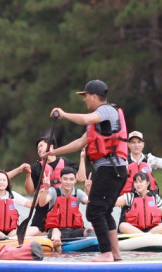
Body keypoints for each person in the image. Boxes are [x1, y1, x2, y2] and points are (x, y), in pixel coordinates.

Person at [48, 80, 131, 260]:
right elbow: (79, 143)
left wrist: (63, 114)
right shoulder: (98, 120)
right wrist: (53, 152)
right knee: (104, 211)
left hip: (110, 169)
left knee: (94, 211)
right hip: (115, 170)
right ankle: (115, 254)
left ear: (94, 96)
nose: (84, 100)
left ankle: (106, 253)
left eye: (86, 96)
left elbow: (85, 119)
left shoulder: (106, 111)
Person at [118, 168, 162, 235]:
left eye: (141, 182)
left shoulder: (155, 198)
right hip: (134, 229)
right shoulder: (129, 197)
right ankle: (144, 236)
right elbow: (113, 202)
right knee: (122, 225)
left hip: (152, 230)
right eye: (136, 182)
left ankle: (146, 236)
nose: (138, 184)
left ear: (148, 183)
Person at [39, 168, 88, 246]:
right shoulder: (53, 191)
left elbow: (91, 203)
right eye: (65, 179)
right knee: (55, 231)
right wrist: (45, 189)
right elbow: (41, 203)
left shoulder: (78, 193)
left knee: (90, 230)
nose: (68, 182)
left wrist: (90, 191)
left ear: (75, 180)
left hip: (75, 231)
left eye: (71, 179)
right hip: (56, 229)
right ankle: (57, 243)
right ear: (60, 179)